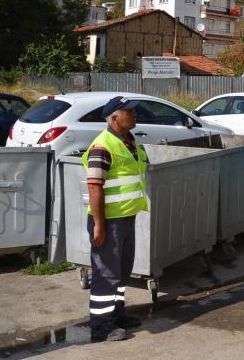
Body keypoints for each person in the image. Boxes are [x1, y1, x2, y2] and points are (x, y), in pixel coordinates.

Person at [82, 96, 148, 342]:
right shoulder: (103, 146)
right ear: (114, 118)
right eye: (129, 112)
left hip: (126, 218)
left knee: (121, 272)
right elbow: (95, 187)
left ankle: (117, 314)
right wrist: (99, 224)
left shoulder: (130, 142)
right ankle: (100, 326)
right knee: (106, 273)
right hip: (108, 221)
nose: (134, 115)